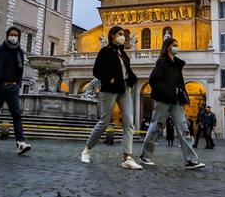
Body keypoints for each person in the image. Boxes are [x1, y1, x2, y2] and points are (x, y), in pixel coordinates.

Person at [136, 38, 205, 170]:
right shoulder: (162, 62)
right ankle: (145, 155)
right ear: (167, 47)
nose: (177, 47)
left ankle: (190, 159)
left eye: (177, 45)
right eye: (174, 45)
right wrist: (165, 91)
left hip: (176, 100)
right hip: (163, 99)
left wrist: (181, 93)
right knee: (156, 126)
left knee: (183, 128)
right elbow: (152, 80)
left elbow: (179, 81)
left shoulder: (177, 64)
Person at [81, 25, 142, 170]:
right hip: (109, 90)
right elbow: (96, 71)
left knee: (129, 121)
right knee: (104, 121)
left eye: (124, 34)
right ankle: (87, 150)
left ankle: (127, 157)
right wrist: (110, 79)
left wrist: (132, 80)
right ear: (112, 36)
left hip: (124, 89)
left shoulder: (123, 53)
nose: (123, 36)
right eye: (120, 34)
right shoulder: (105, 51)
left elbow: (127, 70)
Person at [0, 26, 31, 155]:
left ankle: (20, 142)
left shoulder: (19, 52)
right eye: (12, 34)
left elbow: (20, 70)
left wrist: (18, 84)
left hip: (13, 87)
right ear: (7, 35)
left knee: (16, 114)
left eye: (16, 35)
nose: (14, 37)